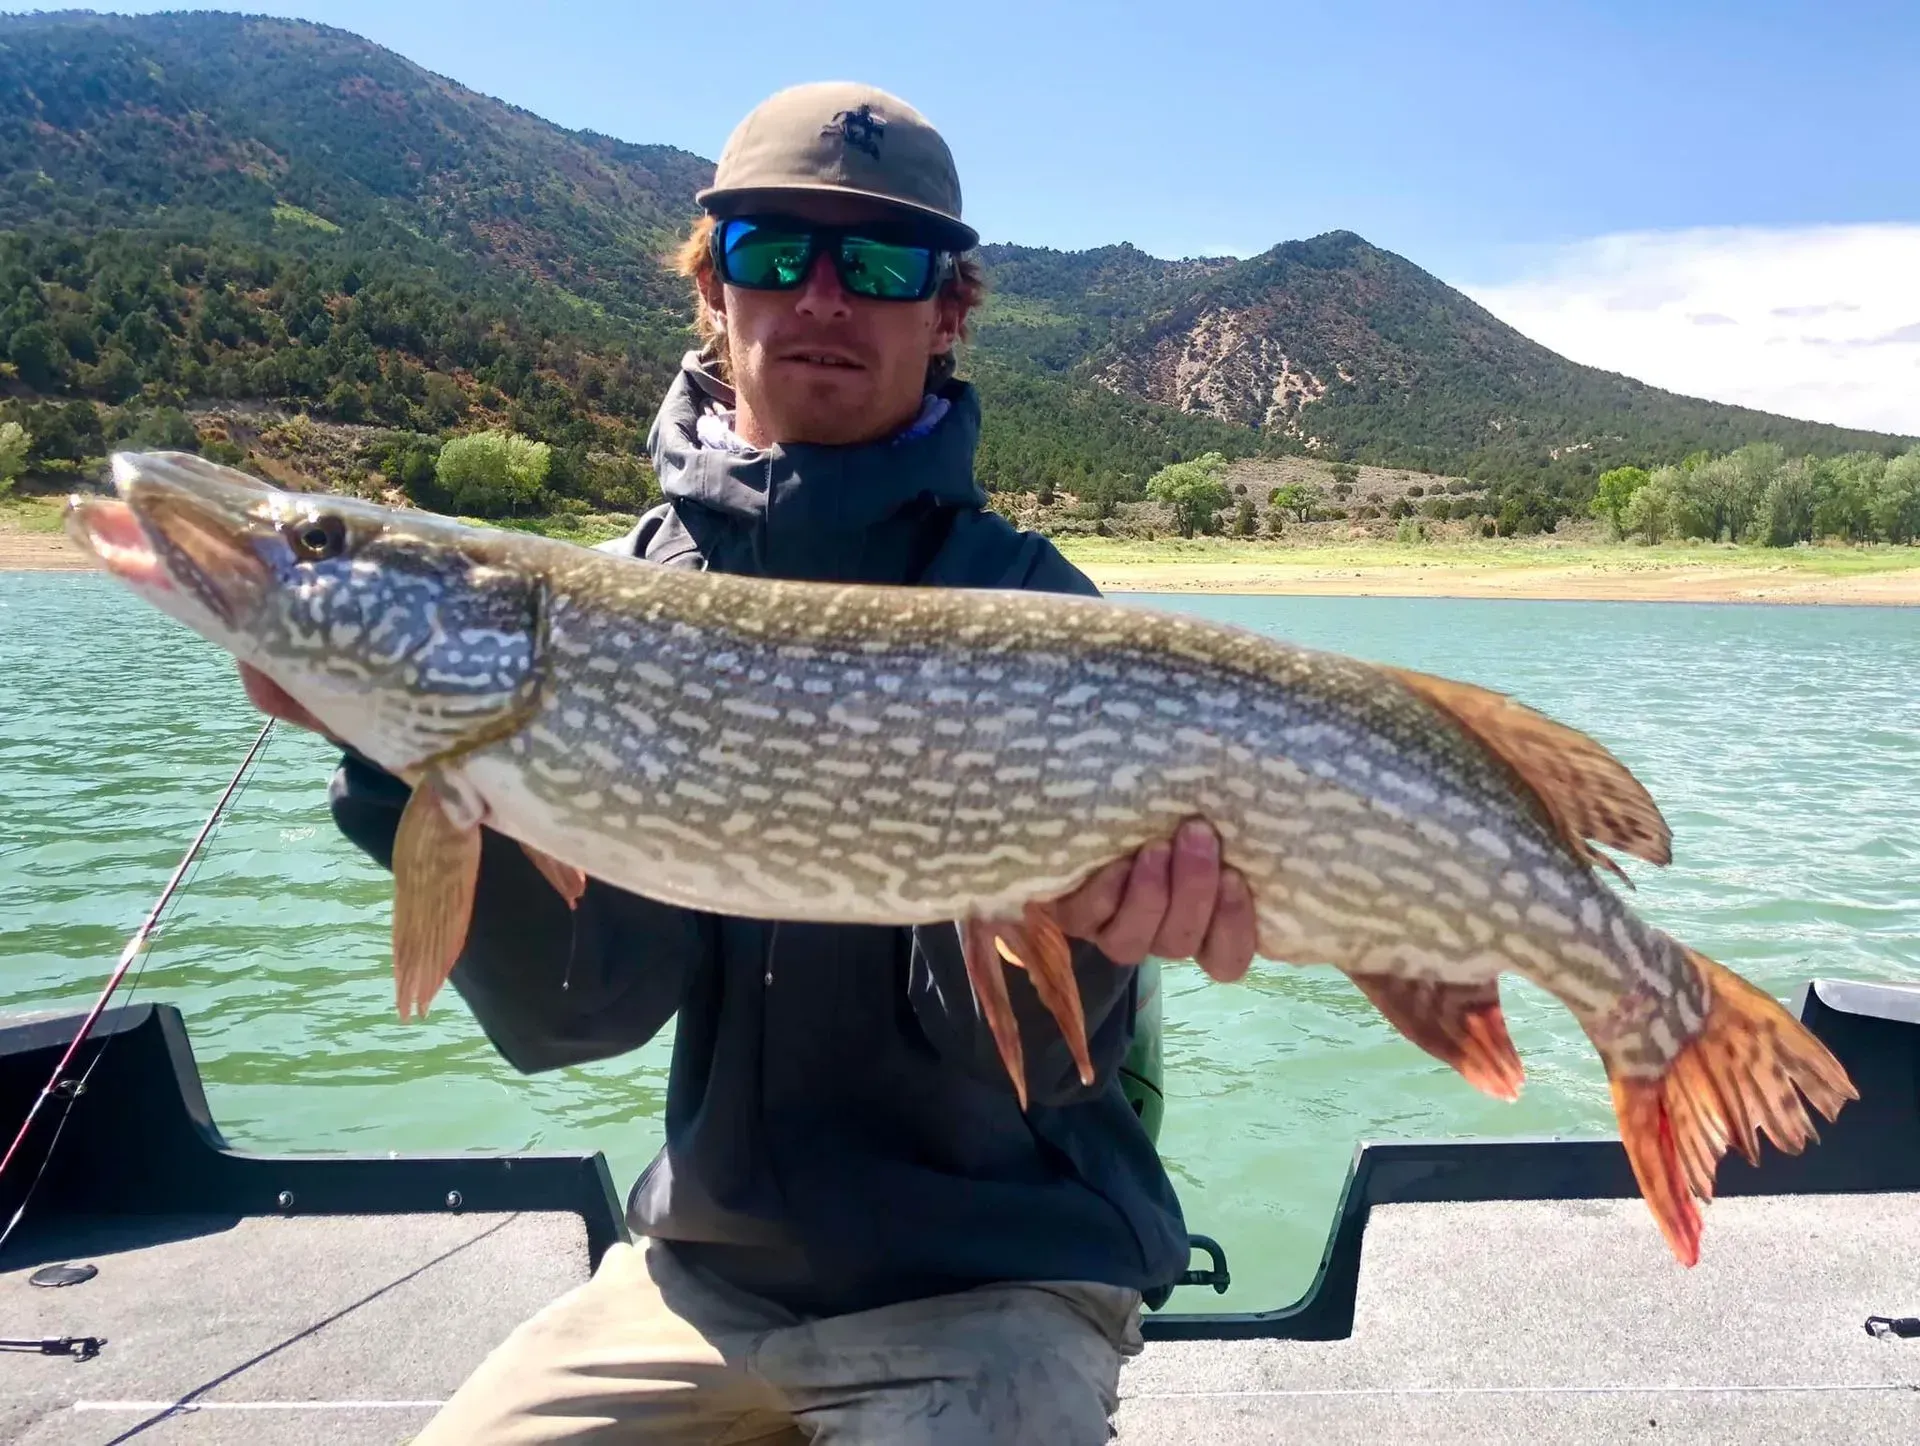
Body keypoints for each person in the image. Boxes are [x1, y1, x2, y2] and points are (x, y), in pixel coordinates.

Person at [244, 80, 1255, 1445]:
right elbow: (575, 1015)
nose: (822, 296)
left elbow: (1010, 1062)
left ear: (945, 309)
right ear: (713, 286)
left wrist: (1087, 934)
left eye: (881, 260)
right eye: (774, 251)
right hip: (698, 1283)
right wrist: (398, 757)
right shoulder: (614, 604)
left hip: (997, 1287)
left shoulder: (1036, 615)